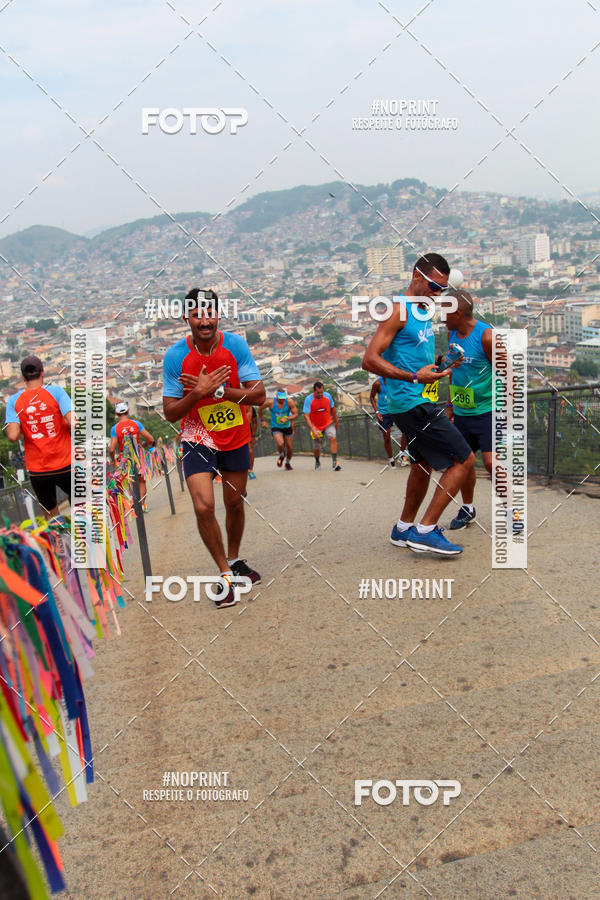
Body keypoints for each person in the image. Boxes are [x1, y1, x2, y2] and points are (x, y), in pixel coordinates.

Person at [362, 253, 475, 556]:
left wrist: (439, 364)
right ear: (415, 278)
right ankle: (426, 530)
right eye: (433, 286)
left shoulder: (422, 312)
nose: (438, 294)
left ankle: (403, 528)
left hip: (414, 398)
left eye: (442, 289)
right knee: (464, 460)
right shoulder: (398, 311)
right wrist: (414, 377)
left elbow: (415, 361)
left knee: (422, 465)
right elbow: (369, 360)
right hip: (410, 402)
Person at [162, 288, 265, 608]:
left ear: (217, 315)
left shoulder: (235, 345)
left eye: (209, 314)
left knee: (234, 503)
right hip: (196, 435)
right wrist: (197, 394)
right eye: (197, 314)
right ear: (186, 318)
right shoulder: (175, 357)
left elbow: (259, 396)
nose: (204, 321)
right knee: (204, 505)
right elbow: (170, 412)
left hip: (233, 433)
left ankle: (234, 560)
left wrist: (218, 390)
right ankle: (224, 576)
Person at [443, 289, 493, 530]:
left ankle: (511, 512)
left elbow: (507, 372)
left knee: (492, 462)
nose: (442, 317)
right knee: (462, 461)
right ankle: (468, 508)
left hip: (488, 410)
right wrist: (451, 405)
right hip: (463, 411)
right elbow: (453, 369)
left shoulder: (486, 336)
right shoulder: (451, 333)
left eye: (446, 311)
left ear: (459, 313)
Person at [4, 356, 72, 518]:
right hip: (66, 463)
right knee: (82, 505)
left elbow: (13, 435)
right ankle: (83, 540)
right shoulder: (56, 391)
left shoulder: (14, 401)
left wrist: (27, 425)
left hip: (38, 470)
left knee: (51, 515)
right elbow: (73, 422)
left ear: (23, 377)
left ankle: (58, 542)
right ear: (42, 373)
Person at [109, 402, 155, 512]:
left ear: (116, 414)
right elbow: (151, 439)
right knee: (141, 481)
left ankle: (134, 505)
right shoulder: (136, 424)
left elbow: (111, 449)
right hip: (138, 457)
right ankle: (142, 504)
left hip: (124, 459)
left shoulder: (115, 429)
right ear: (128, 411)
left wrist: (113, 460)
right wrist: (143, 445)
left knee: (129, 482)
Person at [369, 376, 408, 467]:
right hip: (384, 413)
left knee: (405, 431)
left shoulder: (396, 380)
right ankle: (391, 459)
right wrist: (377, 411)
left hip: (397, 410)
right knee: (386, 437)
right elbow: (371, 398)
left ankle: (401, 455)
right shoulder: (377, 384)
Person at [303, 381, 341, 471]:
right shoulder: (308, 400)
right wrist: (313, 429)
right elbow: (306, 416)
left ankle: (334, 462)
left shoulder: (327, 396)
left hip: (328, 423)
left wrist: (336, 421)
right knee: (317, 447)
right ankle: (317, 461)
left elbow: (333, 409)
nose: (320, 394)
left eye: (322, 392)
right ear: (314, 391)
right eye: (318, 392)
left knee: (333, 438)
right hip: (316, 427)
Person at [260, 390, 298, 470]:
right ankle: (281, 455)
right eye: (280, 398)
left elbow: (295, 414)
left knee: (290, 447)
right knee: (281, 443)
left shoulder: (289, 402)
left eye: (284, 398)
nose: (282, 400)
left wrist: (287, 418)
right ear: (276, 397)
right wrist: (262, 421)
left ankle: (287, 463)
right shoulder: (270, 402)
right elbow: (259, 409)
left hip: (287, 426)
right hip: (276, 426)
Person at [248, 406, 259, 479]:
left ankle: (250, 470)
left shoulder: (251, 408)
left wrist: (253, 435)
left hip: (247, 433)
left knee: (250, 451)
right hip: (232, 433)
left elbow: (255, 422)